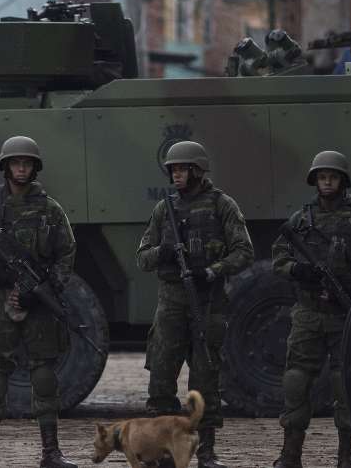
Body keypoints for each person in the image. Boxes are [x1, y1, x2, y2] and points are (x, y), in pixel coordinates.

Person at [0, 135, 79, 468]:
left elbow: (66, 252)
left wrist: (47, 286)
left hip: (38, 301)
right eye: (16, 163)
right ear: (6, 166)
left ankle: (51, 453)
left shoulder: (49, 208)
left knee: (43, 371)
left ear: (34, 167)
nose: (21, 168)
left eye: (27, 163)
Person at [135, 140, 254, 468]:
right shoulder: (165, 210)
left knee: (205, 380)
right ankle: (162, 451)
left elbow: (244, 250)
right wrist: (165, 252)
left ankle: (206, 453)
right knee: (160, 377)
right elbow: (142, 257)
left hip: (208, 303)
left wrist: (212, 271)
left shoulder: (221, 205)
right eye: (172, 169)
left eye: (182, 168)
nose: (176, 174)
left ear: (198, 170)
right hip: (171, 302)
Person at [270, 151, 351, 468]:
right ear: (314, 181)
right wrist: (298, 270)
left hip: (345, 316)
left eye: (332, 177)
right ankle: (290, 454)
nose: (326, 182)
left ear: (343, 181)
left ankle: (346, 456)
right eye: (321, 177)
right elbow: (279, 260)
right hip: (308, 313)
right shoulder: (300, 221)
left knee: (344, 386)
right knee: (295, 382)